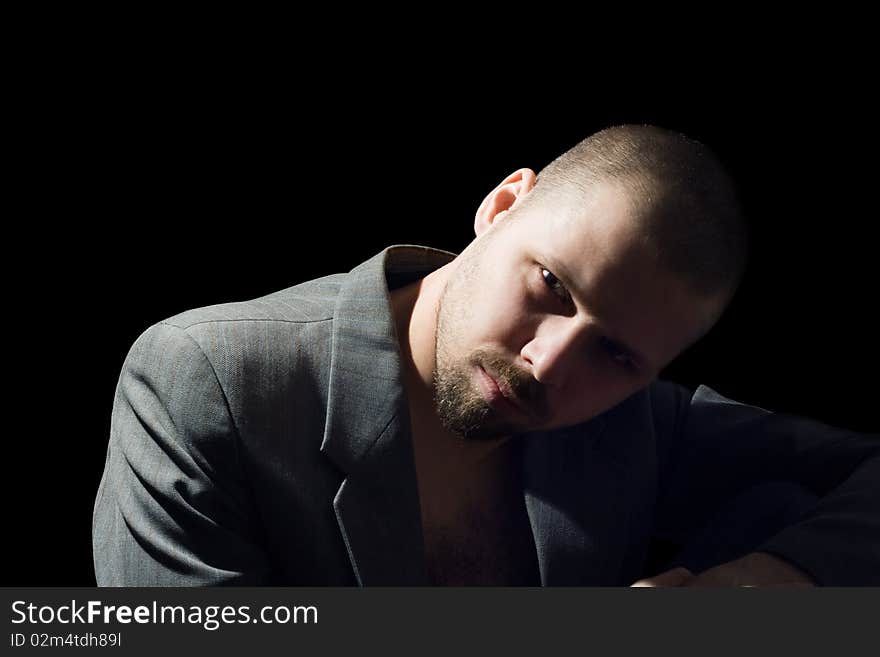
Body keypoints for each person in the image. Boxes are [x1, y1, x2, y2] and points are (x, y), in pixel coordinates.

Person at [92, 125, 879, 586]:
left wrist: (754, 586)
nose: (548, 364)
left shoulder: (638, 422)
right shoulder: (208, 381)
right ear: (501, 206)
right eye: (552, 286)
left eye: (616, 353)